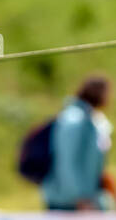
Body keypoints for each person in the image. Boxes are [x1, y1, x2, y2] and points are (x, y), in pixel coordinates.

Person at [42, 75, 112, 211]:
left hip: (81, 199)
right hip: (67, 203)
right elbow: (67, 160)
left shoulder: (89, 119)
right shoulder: (74, 119)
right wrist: (79, 196)